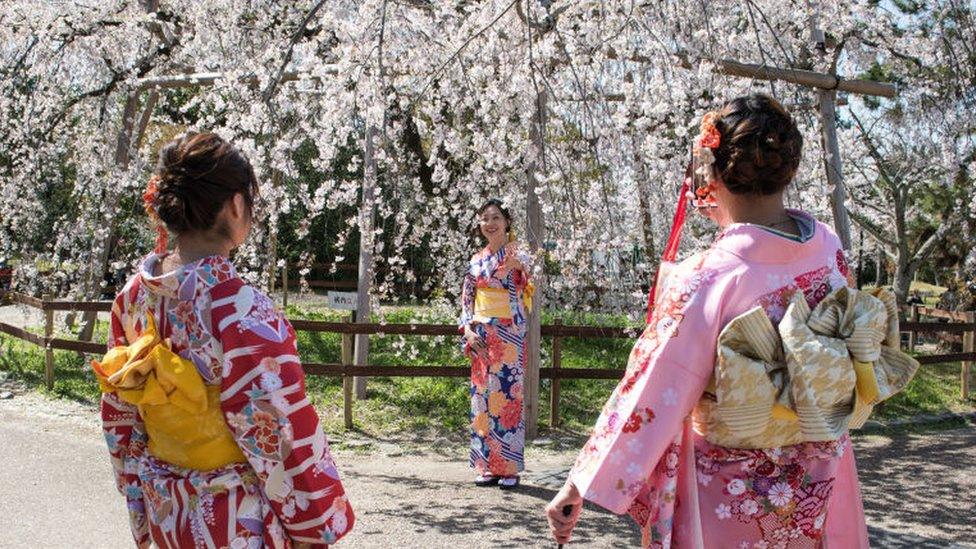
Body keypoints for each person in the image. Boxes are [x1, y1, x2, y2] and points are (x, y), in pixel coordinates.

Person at [546, 95, 879, 548]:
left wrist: (581, 481)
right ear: (789, 168)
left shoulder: (708, 275)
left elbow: (653, 385)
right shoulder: (827, 247)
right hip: (817, 472)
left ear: (712, 170)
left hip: (737, 486)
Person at [93, 132, 354, 548]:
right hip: (235, 515)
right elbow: (278, 427)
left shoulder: (132, 298)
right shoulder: (241, 309)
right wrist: (312, 525)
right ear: (236, 205)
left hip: (164, 504)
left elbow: (119, 407)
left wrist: (135, 484)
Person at [459, 199, 534, 490]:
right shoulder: (476, 259)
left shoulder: (518, 252)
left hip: (509, 334)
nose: (490, 223)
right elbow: (467, 298)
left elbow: (530, 285)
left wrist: (522, 270)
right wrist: (467, 330)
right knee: (481, 398)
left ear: (506, 223)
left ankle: (509, 467)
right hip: (480, 335)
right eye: (485, 219)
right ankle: (486, 465)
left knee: (507, 398)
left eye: (496, 218)